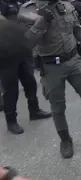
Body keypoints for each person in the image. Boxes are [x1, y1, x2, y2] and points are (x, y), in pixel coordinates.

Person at [18, 0, 81, 159]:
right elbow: (27, 42)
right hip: (51, 65)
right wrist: (42, 21)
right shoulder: (29, 10)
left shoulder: (67, 6)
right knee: (57, 107)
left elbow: (78, 29)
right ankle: (66, 140)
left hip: (74, 60)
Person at [1, 0, 52, 135]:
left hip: (21, 49)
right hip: (5, 54)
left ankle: (34, 111)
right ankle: (11, 121)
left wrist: (36, 18)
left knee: (30, 82)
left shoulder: (14, 3)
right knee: (10, 89)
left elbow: (18, 16)